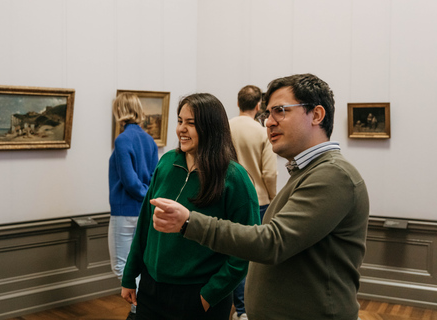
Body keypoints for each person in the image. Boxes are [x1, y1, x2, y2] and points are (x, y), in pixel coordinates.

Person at [152, 74, 370, 320]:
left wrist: (190, 222)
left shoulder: (333, 175)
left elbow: (272, 243)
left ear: (317, 115)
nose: (268, 122)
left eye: (280, 111)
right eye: (267, 113)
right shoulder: (308, 172)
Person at [120, 93, 260, 320]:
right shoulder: (167, 162)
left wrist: (209, 294)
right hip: (151, 288)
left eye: (191, 123)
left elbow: (247, 246)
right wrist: (130, 276)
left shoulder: (234, 178)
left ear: (211, 127)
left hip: (199, 294)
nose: (181, 129)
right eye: (179, 121)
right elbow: (145, 224)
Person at [229, 85, 278, 320]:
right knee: (252, 257)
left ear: (238, 103)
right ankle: (247, 310)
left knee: (230, 251)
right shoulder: (261, 131)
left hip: (227, 198)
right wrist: (273, 197)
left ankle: (237, 309)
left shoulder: (224, 127)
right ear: (259, 105)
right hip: (258, 199)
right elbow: (269, 172)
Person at [108, 92, 158, 320]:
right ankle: (143, 308)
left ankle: (141, 309)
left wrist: (144, 198)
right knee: (141, 264)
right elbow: (155, 178)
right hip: (144, 213)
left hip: (125, 211)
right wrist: (148, 201)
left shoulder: (122, 139)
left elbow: (129, 181)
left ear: (119, 110)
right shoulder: (149, 139)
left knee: (122, 267)